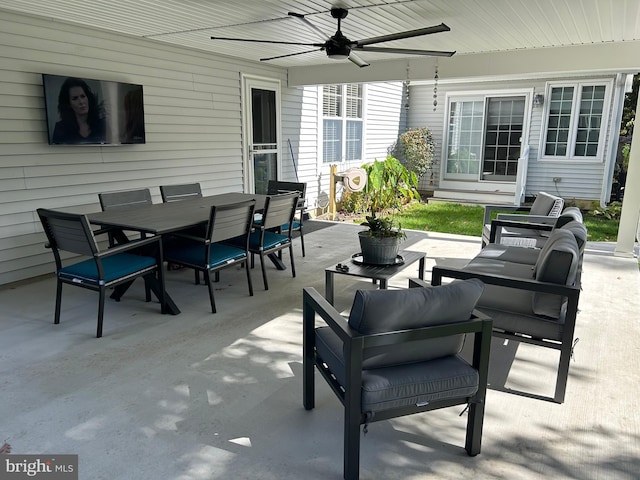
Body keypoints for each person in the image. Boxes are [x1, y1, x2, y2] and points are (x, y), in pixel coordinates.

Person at [51, 77, 107, 144]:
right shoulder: (61, 128)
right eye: (75, 98)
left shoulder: (102, 124)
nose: (81, 102)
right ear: (68, 104)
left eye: (83, 96)